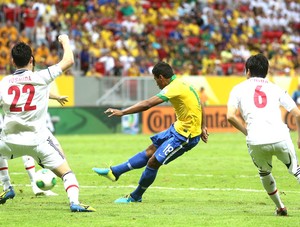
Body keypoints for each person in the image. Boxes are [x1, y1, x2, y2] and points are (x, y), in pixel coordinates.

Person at [0, 35, 95, 212]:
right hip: (38, 142)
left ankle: (7, 187)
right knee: (67, 173)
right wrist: (65, 40)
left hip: (8, 142)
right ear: (31, 60)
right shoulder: (42, 77)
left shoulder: (4, 83)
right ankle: (74, 202)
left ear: (12, 62)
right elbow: (68, 60)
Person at [93, 61, 209, 203]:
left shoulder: (173, 87)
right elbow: (200, 103)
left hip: (186, 136)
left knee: (153, 161)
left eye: (155, 80)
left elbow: (147, 104)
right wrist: (203, 126)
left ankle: (136, 196)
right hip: (178, 128)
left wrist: (122, 112)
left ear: (161, 77)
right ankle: (115, 172)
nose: (156, 83)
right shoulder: (183, 84)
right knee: (150, 151)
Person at [226, 53, 300, 216]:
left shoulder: (238, 89)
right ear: (266, 71)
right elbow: (297, 113)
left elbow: (230, 116)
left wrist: (246, 131)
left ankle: (280, 208)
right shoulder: (275, 88)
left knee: (264, 173)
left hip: (256, 140)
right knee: (295, 170)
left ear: (247, 71)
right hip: (280, 136)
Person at [0, 94, 68, 197]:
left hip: (16, 123)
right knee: (27, 149)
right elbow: (37, 91)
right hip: (21, 123)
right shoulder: (23, 82)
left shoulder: (11, 83)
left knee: (20, 150)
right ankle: (27, 185)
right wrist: (57, 97)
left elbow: (37, 91)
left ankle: (8, 186)